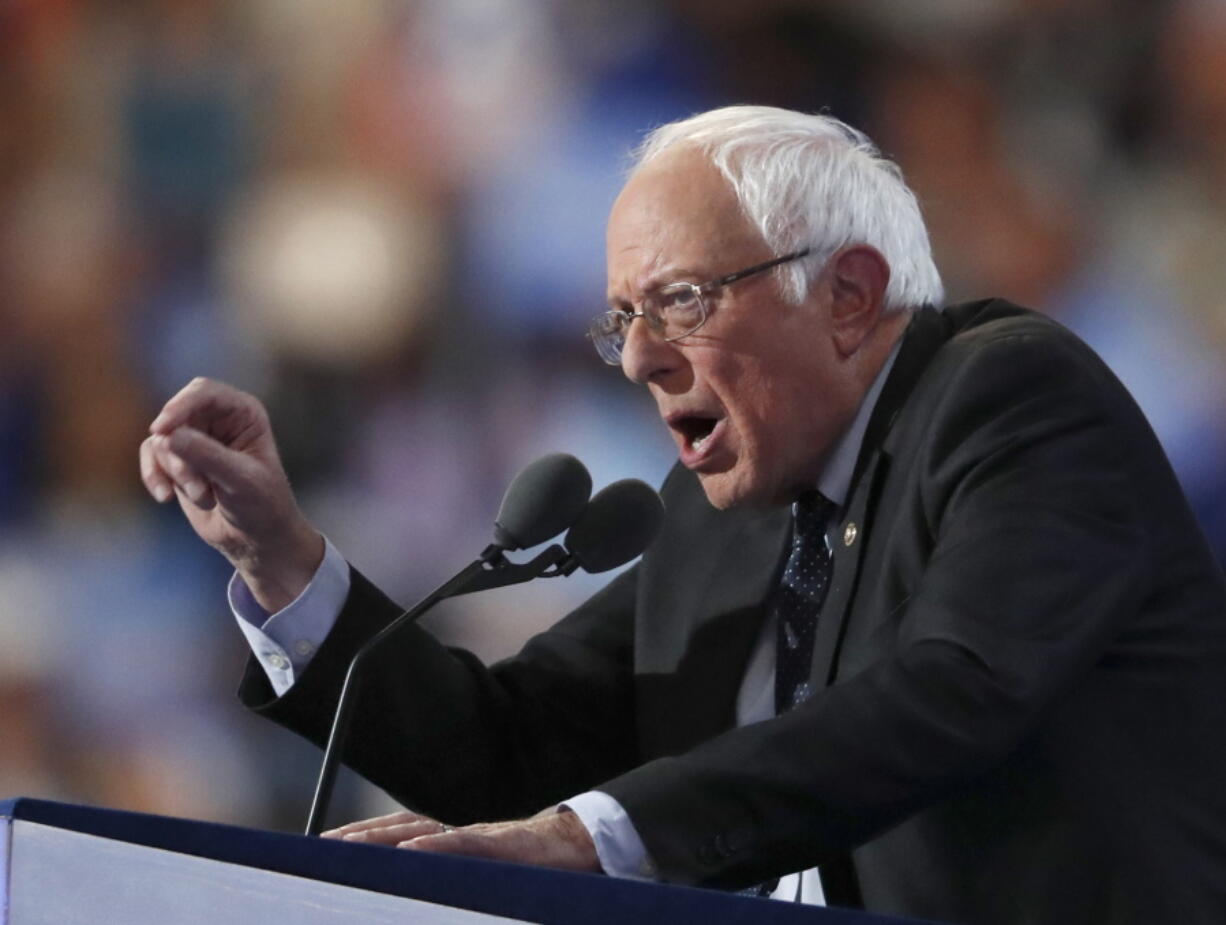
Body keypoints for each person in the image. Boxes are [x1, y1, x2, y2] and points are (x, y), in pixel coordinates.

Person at [140, 106, 1226, 924]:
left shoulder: (1011, 400)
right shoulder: (727, 508)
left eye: (680, 302)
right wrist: (281, 556)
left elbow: (946, 692)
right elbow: (509, 753)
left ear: (846, 293)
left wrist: (587, 838)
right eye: (620, 320)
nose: (641, 359)